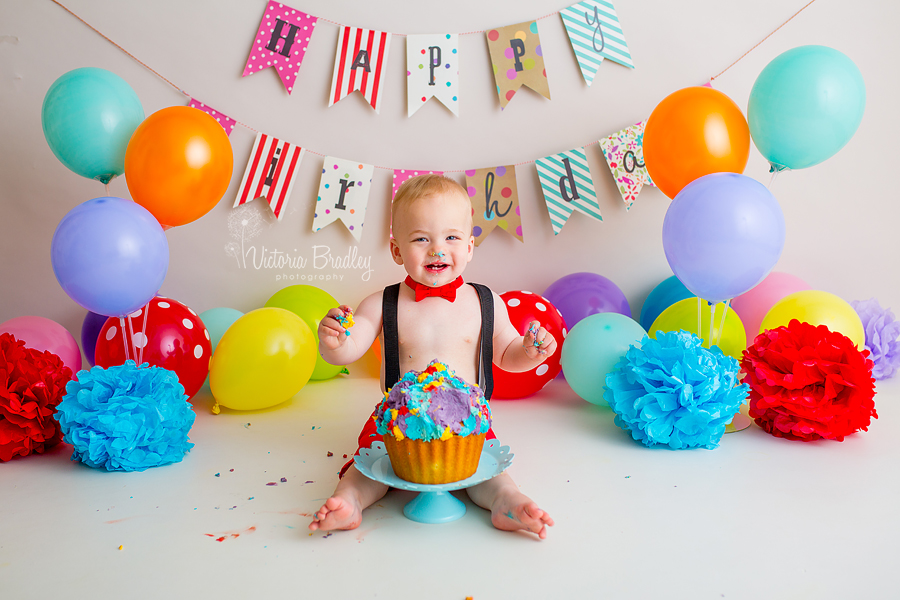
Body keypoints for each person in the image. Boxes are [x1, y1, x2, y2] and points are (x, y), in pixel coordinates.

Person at [309, 174, 556, 539]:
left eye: (451, 237)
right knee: (366, 467)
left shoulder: (485, 301)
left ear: (470, 246)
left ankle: (507, 501)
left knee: (488, 470)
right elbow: (352, 344)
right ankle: (350, 502)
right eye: (421, 239)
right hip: (397, 420)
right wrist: (334, 343)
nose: (437, 250)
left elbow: (506, 354)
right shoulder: (382, 302)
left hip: (466, 422)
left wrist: (530, 352)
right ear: (396, 250)